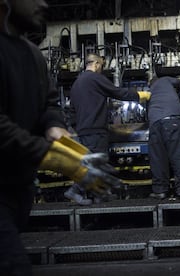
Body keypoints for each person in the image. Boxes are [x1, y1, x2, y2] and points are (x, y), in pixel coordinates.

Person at [0, 0, 120, 275]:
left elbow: (49, 105)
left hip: (18, 189)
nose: (44, 2)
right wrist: (57, 158)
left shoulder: (32, 54)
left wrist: (57, 129)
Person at [65, 53, 151, 205]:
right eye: (102, 66)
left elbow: (71, 111)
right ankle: (75, 190)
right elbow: (118, 92)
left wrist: (79, 127)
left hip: (84, 131)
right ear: (97, 64)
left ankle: (99, 195)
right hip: (96, 131)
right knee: (96, 164)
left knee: (93, 163)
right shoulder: (94, 78)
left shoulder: (77, 83)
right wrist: (140, 95)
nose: (101, 69)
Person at [147, 74, 180, 199]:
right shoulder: (165, 79)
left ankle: (160, 191)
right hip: (172, 121)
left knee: (158, 158)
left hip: (155, 124)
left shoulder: (150, 92)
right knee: (178, 155)